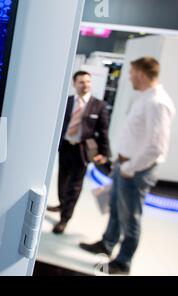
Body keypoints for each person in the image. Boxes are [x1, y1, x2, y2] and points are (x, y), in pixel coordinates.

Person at [79, 57, 176, 275]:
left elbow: (156, 147)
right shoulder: (144, 98)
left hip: (136, 171)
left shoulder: (157, 102)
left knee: (130, 217)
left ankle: (123, 262)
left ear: (142, 73)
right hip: (124, 166)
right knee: (115, 209)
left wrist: (129, 168)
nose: (129, 76)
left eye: (131, 72)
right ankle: (107, 243)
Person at [48, 71, 110, 234]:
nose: (85, 85)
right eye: (81, 82)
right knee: (62, 181)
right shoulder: (67, 102)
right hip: (66, 147)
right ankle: (62, 203)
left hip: (82, 151)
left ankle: (65, 218)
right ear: (74, 84)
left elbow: (103, 131)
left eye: (88, 82)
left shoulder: (99, 105)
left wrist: (104, 153)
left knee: (75, 186)